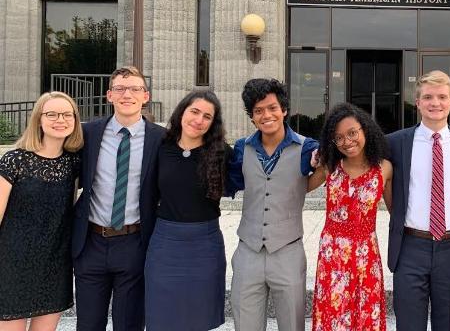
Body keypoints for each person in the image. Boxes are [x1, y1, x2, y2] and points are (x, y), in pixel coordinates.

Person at [73, 66, 165, 331]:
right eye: (120, 89)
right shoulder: (87, 134)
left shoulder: (160, 139)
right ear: (109, 95)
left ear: (145, 96)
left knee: (130, 325)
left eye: (135, 89)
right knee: (88, 325)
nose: (128, 94)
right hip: (91, 243)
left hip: (134, 244)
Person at [228, 78, 324, 331]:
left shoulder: (307, 148)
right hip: (248, 249)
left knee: (292, 324)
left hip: (288, 250)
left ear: (284, 110)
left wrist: (321, 168)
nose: (266, 115)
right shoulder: (241, 148)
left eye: (272, 108)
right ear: (252, 117)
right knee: (245, 324)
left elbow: (322, 171)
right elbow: (229, 184)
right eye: (258, 111)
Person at [386, 70, 450, 331]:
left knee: (445, 325)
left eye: (441, 97)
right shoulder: (395, 143)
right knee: (409, 325)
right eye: (427, 97)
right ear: (417, 103)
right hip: (410, 246)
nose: (435, 103)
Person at [144, 90, 231, 331]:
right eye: (194, 111)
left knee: (199, 318)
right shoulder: (160, 148)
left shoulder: (222, 153)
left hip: (205, 245)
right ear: (182, 112)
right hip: (165, 244)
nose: (199, 120)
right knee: (162, 315)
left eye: (207, 116)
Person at [0, 92, 83, 331]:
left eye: (68, 114)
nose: (60, 119)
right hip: (11, 264)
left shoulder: (74, 163)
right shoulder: (14, 160)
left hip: (54, 264)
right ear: (38, 119)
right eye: (52, 114)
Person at [310, 103, 393, 331]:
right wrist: (307, 156)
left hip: (366, 257)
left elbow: (397, 211)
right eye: (338, 138)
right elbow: (298, 188)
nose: (347, 141)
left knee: (366, 316)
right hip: (332, 256)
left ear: (365, 129)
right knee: (333, 316)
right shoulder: (330, 166)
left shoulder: (384, 169)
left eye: (352, 133)